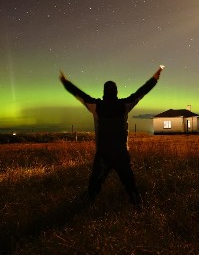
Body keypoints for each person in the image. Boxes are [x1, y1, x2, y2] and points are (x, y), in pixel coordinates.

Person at [59, 66, 163, 205]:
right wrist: (155, 78)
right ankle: (137, 205)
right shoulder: (124, 105)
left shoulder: (96, 106)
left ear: (104, 92)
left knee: (95, 183)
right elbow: (140, 92)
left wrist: (65, 82)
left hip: (103, 153)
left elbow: (78, 93)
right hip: (121, 153)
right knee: (129, 183)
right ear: (116, 92)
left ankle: (87, 205)